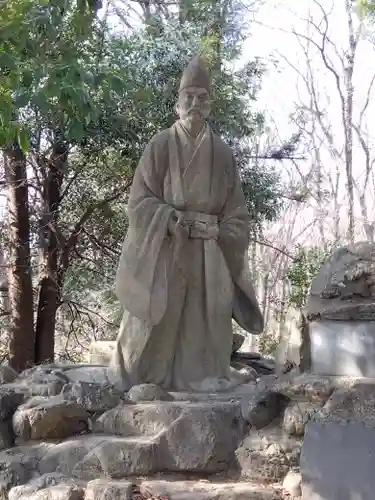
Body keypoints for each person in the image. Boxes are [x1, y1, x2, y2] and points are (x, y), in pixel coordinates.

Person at [110, 55, 263, 392]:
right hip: (167, 244)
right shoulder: (160, 145)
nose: (195, 103)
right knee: (157, 317)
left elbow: (237, 212)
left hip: (211, 250)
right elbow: (139, 202)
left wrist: (223, 233)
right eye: (188, 97)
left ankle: (204, 376)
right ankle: (142, 376)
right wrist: (169, 218)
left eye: (202, 97)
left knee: (208, 314)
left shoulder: (222, 153)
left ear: (211, 105)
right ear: (177, 103)